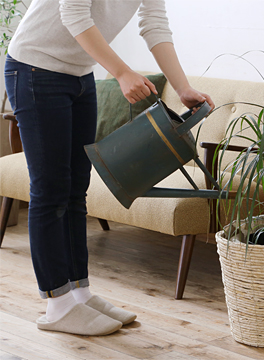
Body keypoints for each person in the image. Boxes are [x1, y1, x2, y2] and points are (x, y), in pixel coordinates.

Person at [4, 0, 215, 336]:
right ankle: (58, 304)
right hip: (34, 69)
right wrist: (121, 72)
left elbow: (154, 23)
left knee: (75, 192)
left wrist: (182, 88)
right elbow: (72, 12)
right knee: (51, 190)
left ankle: (79, 293)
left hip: (79, 74)